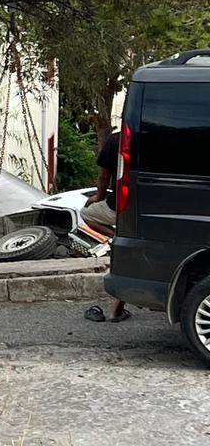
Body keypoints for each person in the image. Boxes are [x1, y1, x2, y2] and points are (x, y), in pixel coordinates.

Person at [83, 128, 128, 321]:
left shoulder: (116, 140)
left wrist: (98, 197)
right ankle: (117, 309)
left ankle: (115, 238)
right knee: (132, 258)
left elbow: (103, 177)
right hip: (149, 206)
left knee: (86, 213)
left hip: (120, 206)